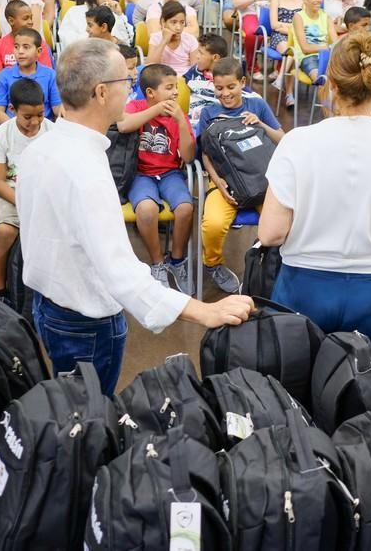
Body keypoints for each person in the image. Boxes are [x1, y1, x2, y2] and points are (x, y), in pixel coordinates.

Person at [15, 38, 254, 392]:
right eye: (125, 82)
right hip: (86, 321)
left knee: (70, 403)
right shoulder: (86, 173)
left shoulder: (41, 148)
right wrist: (204, 312)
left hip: (48, 307)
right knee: (91, 411)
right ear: (100, 93)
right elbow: (121, 274)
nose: (130, 89)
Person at [258, 32, 371, 349]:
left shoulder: (297, 142)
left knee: (292, 388)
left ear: (331, 85)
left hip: (302, 287)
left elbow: (270, 234)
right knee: (361, 389)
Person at [197, 57, 284, 293]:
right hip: (225, 185)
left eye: (231, 87)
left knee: (281, 224)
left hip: (259, 183)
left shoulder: (257, 105)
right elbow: (205, 154)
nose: (225, 93)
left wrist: (261, 125)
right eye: (219, 88)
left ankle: (269, 265)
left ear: (243, 83)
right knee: (213, 224)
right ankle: (213, 264)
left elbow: (282, 139)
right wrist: (218, 183)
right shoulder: (208, 112)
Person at [116, 63, 195, 293]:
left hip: (170, 172)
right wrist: (157, 109)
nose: (176, 92)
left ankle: (177, 260)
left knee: (185, 208)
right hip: (141, 174)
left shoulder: (179, 115)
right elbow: (123, 125)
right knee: (147, 210)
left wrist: (180, 121)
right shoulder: (136, 106)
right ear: (151, 93)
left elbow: (189, 156)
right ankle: (157, 262)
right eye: (169, 87)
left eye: (176, 87)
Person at [0, 77, 52, 305]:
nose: (34, 122)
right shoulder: (2, 134)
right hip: (11, 194)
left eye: (40, 115)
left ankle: (49, 289)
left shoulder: (52, 132)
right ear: (12, 109)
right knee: (4, 231)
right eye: (27, 117)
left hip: (45, 194)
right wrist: (24, 203)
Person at [0, 28, 61, 124]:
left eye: (26, 47)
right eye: (16, 47)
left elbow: (57, 108)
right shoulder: (4, 76)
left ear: (39, 51)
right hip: (13, 129)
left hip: (42, 130)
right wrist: (14, 128)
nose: (20, 51)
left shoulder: (51, 75)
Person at [58, 0, 131, 49]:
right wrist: (92, 38)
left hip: (110, 53)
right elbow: (66, 39)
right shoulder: (74, 12)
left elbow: (127, 39)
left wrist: (119, 14)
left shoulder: (109, 11)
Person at [0, 0, 53, 76]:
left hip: (36, 86)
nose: (31, 22)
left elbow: (47, 76)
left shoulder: (39, 43)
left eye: (31, 18)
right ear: (11, 21)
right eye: (25, 18)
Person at [292, 0, 336, 88]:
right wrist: (326, 47)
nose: (319, 0)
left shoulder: (326, 16)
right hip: (308, 57)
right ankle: (326, 102)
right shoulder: (299, 17)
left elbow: (335, 42)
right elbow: (305, 48)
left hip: (326, 56)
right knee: (321, 78)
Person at [184, 33, 228, 126]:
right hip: (192, 117)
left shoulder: (229, 75)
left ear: (215, 57)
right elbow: (181, 85)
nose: (197, 56)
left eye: (201, 53)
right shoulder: (195, 71)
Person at [147, 0, 198, 76]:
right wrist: (164, 41)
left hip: (185, 79)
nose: (178, 27)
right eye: (174, 22)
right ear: (163, 22)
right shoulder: (155, 38)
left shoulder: (191, 40)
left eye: (182, 22)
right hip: (162, 78)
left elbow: (195, 69)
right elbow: (150, 66)